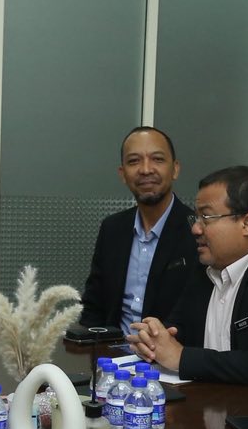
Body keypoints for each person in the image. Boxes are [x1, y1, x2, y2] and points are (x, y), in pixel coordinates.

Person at [126, 165, 248, 386]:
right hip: (211, 398)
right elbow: (178, 327)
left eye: (206, 217)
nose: (195, 229)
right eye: (196, 218)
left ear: (247, 224)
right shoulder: (204, 269)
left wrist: (182, 358)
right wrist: (154, 340)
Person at [78, 126, 197, 335]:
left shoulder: (196, 230)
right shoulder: (112, 229)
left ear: (175, 169)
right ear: (123, 174)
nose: (146, 169)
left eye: (157, 159)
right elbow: (94, 306)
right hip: (112, 351)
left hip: (170, 352)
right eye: (134, 161)